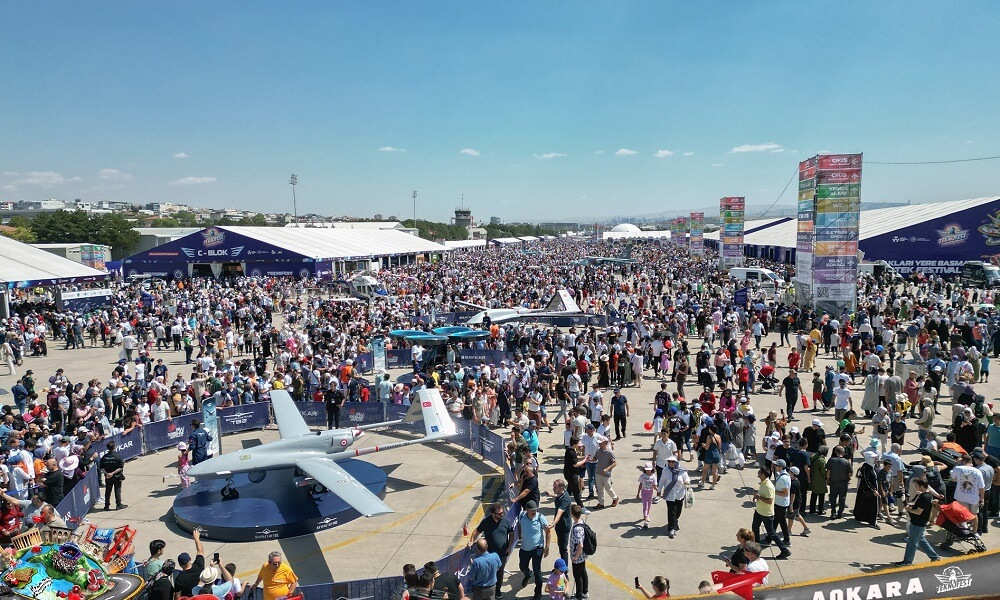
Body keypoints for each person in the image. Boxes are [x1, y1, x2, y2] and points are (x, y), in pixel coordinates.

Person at [469, 502, 514, 599]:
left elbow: (511, 534)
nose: (502, 514)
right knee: (490, 573)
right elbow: (476, 531)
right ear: (493, 514)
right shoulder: (486, 522)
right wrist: (471, 541)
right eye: (499, 513)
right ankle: (490, 590)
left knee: (500, 572)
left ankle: (497, 590)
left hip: (502, 554)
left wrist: (509, 547)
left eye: (502, 513)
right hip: (489, 555)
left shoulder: (506, 521)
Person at [893, 478, 941, 566]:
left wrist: (908, 509)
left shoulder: (924, 497)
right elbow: (918, 506)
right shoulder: (928, 495)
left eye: (916, 485)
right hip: (920, 522)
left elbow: (918, 512)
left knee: (912, 543)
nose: (915, 487)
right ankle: (934, 557)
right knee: (921, 540)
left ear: (921, 486)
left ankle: (907, 561)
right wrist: (910, 506)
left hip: (918, 523)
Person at [751, 467, 790, 558]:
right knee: (755, 528)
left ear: (763, 475)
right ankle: (756, 547)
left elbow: (769, 500)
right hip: (759, 511)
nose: (758, 474)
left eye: (759, 473)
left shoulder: (768, 486)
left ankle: (784, 550)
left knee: (772, 533)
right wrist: (758, 493)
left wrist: (758, 497)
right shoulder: (763, 483)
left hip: (766, 513)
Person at [517, 500, 550, 600]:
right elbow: (519, 525)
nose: (534, 512)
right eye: (531, 510)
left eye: (535, 510)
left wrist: (547, 547)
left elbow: (548, 532)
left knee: (537, 571)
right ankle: (527, 574)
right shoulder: (521, 515)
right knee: (522, 566)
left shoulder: (540, 518)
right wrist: (519, 535)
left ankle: (538, 593)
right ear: (526, 510)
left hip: (537, 549)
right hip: (524, 548)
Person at [951, 453, 986, 533]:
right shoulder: (977, 471)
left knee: (960, 514)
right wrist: (982, 498)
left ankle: (960, 531)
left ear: (962, 461)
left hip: (961, 497)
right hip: (973, 498)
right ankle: (974, 532)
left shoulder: (958, 468)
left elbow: (953, 478)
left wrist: (957, 463)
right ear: (971, 461)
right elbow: (981, 487)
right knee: (974, 515)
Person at [657, 455, 689, 538]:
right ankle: (671, 529)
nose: (670, 463)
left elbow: (687, 478)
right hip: (669, 494)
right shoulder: (665, 470)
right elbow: (662, 481)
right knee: (671, 512)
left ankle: (675, 520)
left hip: (680, 494)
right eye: (669, 461)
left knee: (678, 510)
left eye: (672, 461)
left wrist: (686, 481)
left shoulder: (682, 471)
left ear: (676, 462)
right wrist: (659, 490)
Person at [173, 529, 206, 598]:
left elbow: (177, 596)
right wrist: (197, 538)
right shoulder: (199, 566)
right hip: (200, 597)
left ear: (180, 565)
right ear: (190, 559)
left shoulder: (180, 579)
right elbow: (200, 551)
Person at [853, 451, 881, 528]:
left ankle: (863, 517)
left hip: (867, 491)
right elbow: (866, 480)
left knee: (866, 505)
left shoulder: (872, 466)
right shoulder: (866, 468)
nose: (875, 459)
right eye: (873, 458)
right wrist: (873, 490)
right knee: (872, 506)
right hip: (868, 491)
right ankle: (872, 522)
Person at [98, 439, 127, 510]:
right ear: (115, 447)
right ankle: (118, 504)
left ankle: (106, 505)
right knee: (117, 490)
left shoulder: (104, 457)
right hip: (117, 476)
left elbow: (101, 468)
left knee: (108, 490)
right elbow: (120, 467)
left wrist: (107, 473)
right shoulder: (118, 456)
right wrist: (112, 473)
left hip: (108, 477)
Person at [826, 445, 853, 519]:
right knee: (842, 498)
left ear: (835, 452)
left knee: (833, 497)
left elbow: (828, 472)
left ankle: (833, 512)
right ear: (843, 452)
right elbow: (850, 474)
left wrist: (828, 480)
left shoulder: (831, 460)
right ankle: (840, 513)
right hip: (843, 482)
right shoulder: (847, 462)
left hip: (833, 481)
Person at [569, 504, 589, 600]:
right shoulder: (581, 521)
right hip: (583, 555)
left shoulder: (577, 529)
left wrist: (575, 557)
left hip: (578, 556)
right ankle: (585, 591)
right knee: (583, 572)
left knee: (578, 577)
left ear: (572, 514)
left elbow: (580, 545)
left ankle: (579, 596)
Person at [593, 437, 619, 509]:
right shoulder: (598, 451)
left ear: (605, 443)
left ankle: (615, 498)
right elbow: (595, 458)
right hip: (598, 472)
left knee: (608, 488)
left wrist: (608, 469)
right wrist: (591, 459)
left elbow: (615, 463)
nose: (599, 444)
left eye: (601, 443)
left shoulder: (609, 452)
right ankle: (601, 503)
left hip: (606, 475)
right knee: (600, 489)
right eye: (599, 443)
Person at [636, 462, 657, 529]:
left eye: (649, 469)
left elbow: (654, 486)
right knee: (645, 506)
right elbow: (640, 485)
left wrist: (659, 491)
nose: (648, 471)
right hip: (644, 492)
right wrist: (638, 493)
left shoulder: (653, 476)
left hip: (650, 492)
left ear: (652, 469)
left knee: (649, 505)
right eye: (647, 469)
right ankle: (645, 521)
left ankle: (646, 515)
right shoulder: (643, 476)